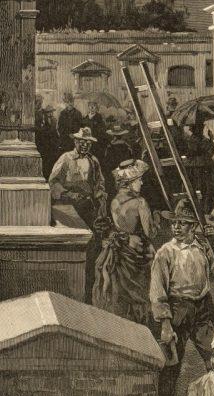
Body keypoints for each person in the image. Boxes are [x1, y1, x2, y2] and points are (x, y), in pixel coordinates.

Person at [150, 197, 214, 396]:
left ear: (193, 226)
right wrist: (165, 324)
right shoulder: (165, 253)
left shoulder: (202, 246)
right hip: (178, 310)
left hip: (203, 308)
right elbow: (158, 290)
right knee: (171, 366)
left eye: (183, 223)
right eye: (174, 223)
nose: (176, 227)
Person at [49, 126, 108, 301]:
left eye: (88, 143)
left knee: (92, 245)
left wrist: (100, 193)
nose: (85, 145)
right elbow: (53, 182)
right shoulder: (65, 158)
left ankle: (88, 290)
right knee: (74, 244)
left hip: (88, 207)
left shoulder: (94, 161)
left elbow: (100, 183)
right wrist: (67, 193)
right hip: (69, 208)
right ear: (75, 142)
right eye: (82, 142)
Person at [93, 159, 154, 324]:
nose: (141, 182)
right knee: (140, 292)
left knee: (119, 292)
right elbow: (149, 233)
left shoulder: (114, 201)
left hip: (119, 250)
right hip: (136, 253)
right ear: (130, 182)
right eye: (139, 179)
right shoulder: (140, 202)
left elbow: (116, 227)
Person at [183, 120, 214, 213]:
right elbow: (210, 151)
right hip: (200, 167)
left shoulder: (194, 139)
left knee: (201, 189)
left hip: (198, 167)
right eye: (201, 127)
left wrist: (210, 139)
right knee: (203, 189)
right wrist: (210, 139)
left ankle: (202, 210)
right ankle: (203, 210)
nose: (202, 129)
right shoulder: (198, 140)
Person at [102, 123, 136, 196]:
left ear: (114, 136)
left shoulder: (110, 148)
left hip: (113, 174)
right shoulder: (127, 147)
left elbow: (107, 164)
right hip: (125, 174)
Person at [34, 95, 58, 179]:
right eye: (37, 102)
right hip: (43, 143)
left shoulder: (53, 119)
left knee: (51, 161)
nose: (50, 113)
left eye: (40, 102)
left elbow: (54, 132)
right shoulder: (39, 115)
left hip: (51, 144)